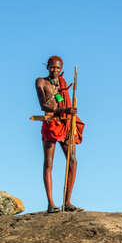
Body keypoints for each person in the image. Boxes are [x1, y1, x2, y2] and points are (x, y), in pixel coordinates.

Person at [35, 55, 84, 213]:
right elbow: (44, 105)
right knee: (48, 163)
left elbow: (59, 99)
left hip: (64, 123)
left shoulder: (60, 86)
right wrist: (63, 110)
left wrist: (68, 110)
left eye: (57, 68)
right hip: (51, 124)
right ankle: (51, 204)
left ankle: (67, 202)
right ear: (47, 67)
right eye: (52, 67)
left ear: (61, 69)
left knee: (73, 161)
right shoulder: (41, 82)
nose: (54, 70)